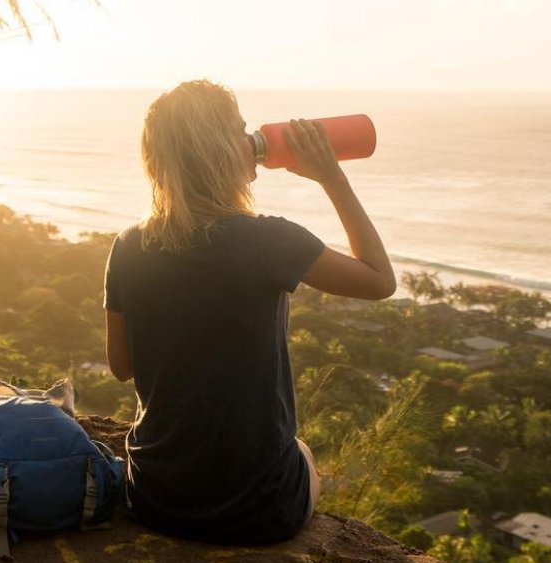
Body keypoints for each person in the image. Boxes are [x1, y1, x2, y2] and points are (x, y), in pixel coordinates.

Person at [103, 80, 396, 545]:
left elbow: (121, 367)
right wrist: (332, 177)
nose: (253, 142)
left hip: (156, 496)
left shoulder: (128, 244)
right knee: (301, 449)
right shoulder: (270, 240)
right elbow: (380, 281)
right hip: (258, 512)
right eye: (241, 131)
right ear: (218, 150)